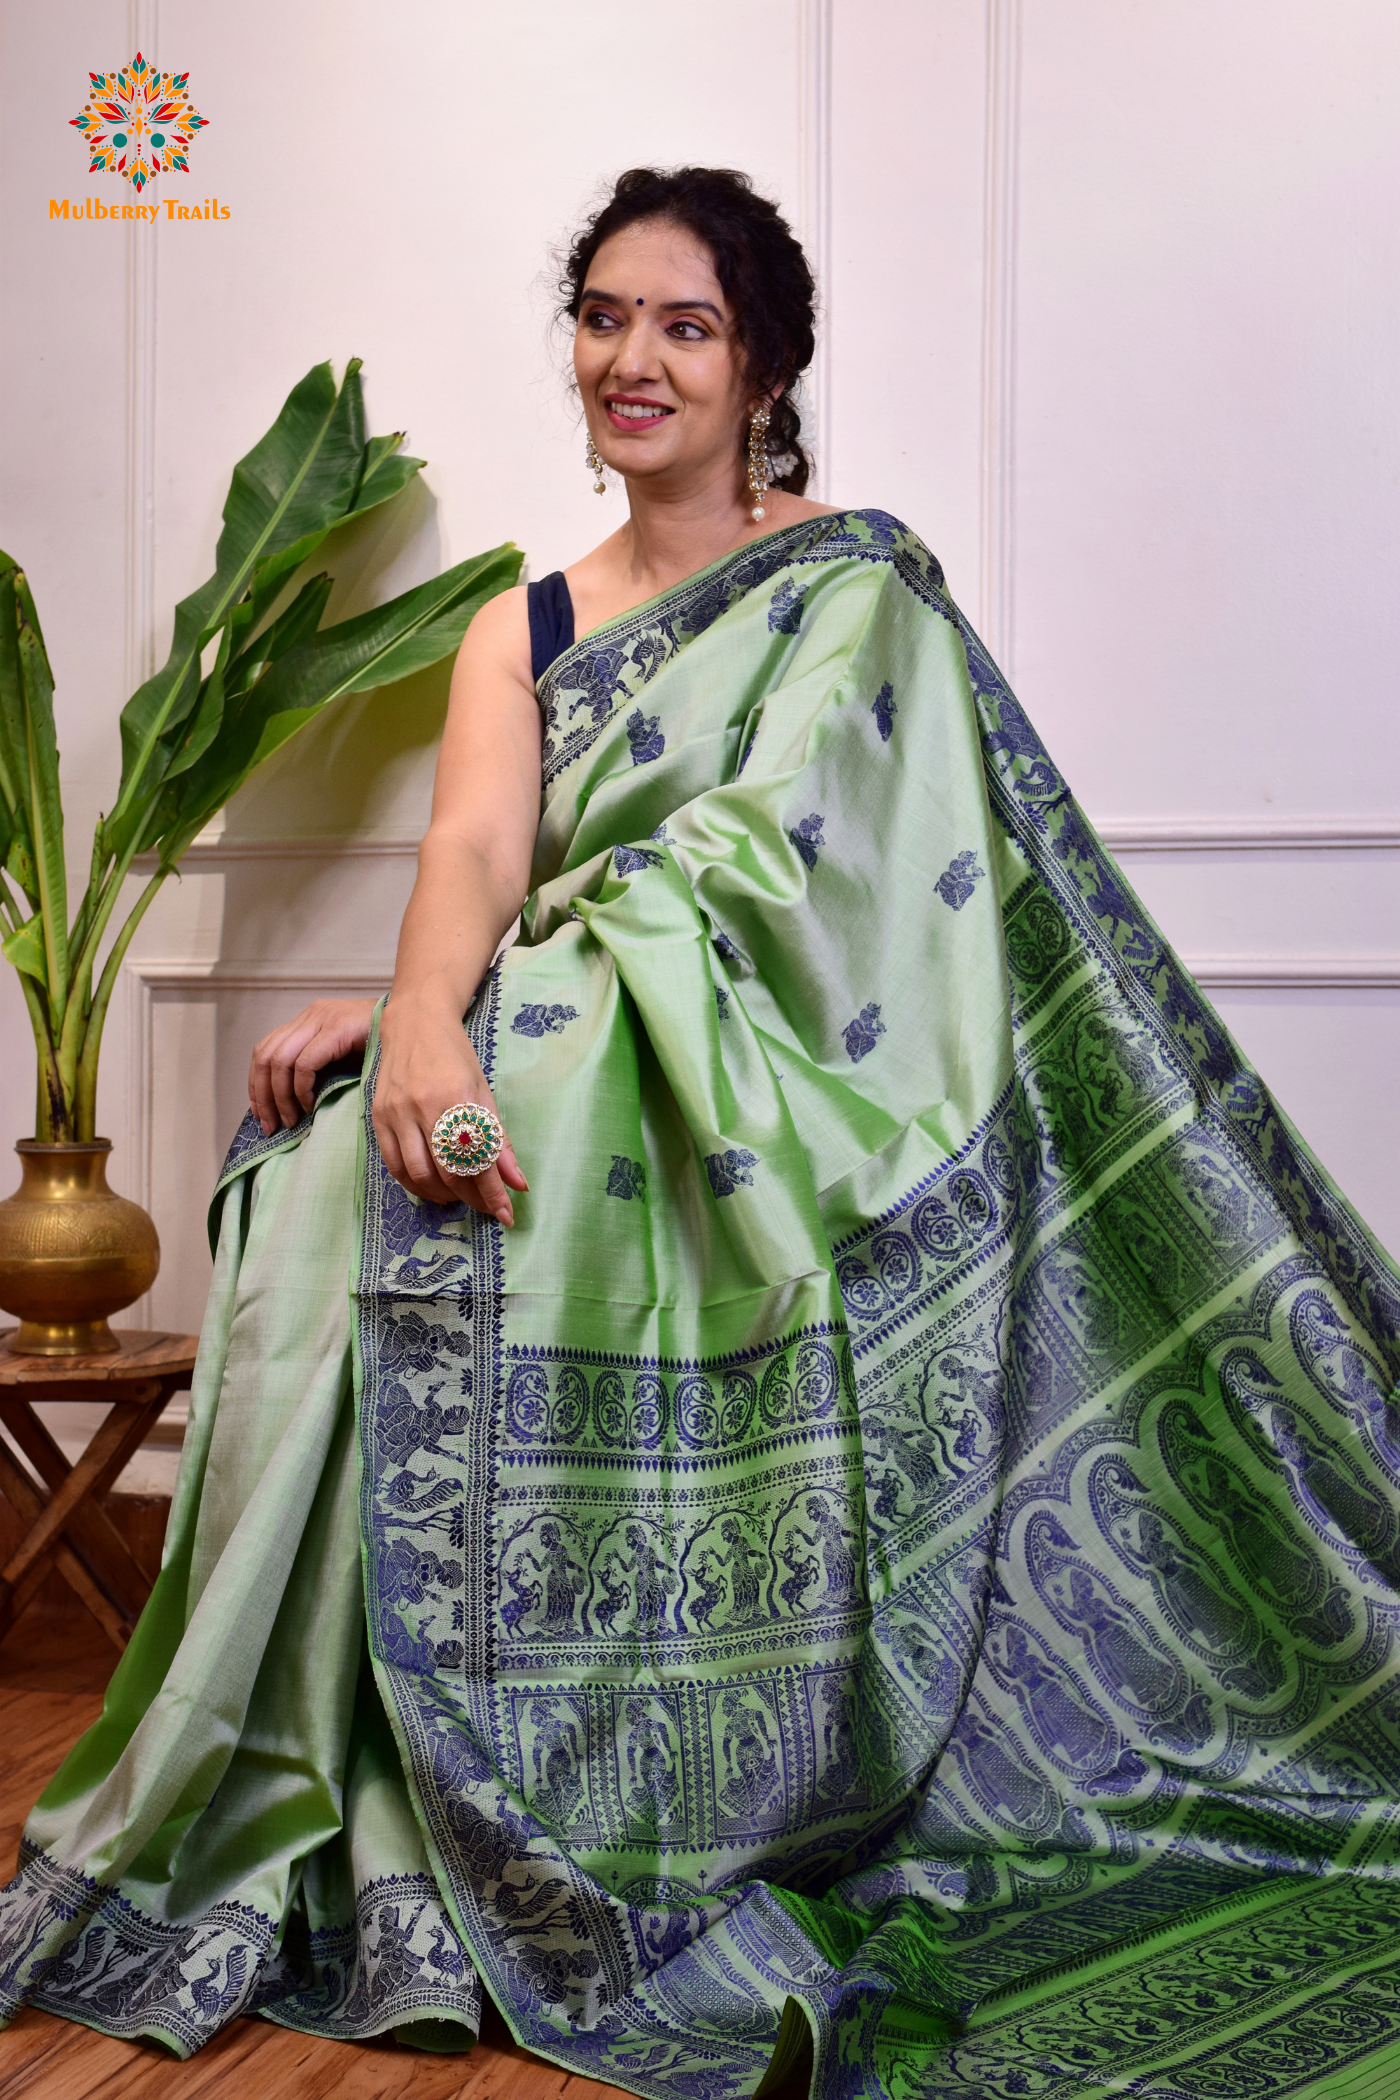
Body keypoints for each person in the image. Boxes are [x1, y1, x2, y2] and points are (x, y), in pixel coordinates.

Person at [3, 163, 1400, 2100]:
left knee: (469, 1125)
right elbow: (480, 848)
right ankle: (350, 1795)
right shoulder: (528, 621)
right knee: (333, 1171)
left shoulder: (856, 586)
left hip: (769, 1102)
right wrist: (414, 1015)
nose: (631, 358)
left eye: (683, 324)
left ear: (763, 370)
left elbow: (784, 887)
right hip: (572, 1046)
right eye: (601, 316)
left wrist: (482, 1008)